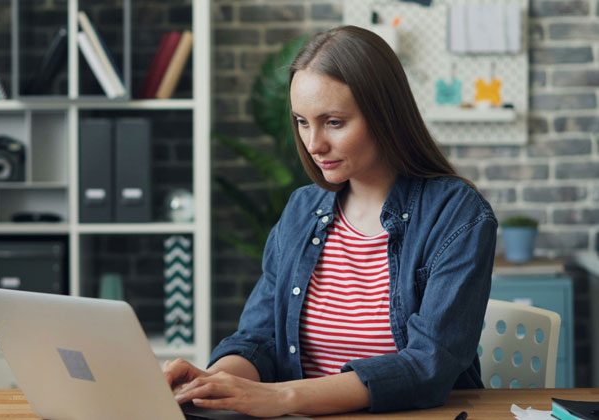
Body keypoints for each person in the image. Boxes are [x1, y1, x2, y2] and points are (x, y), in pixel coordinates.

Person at [163, 25, 497, 417]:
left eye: (333, 122)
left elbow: (427, 364)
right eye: (302, 122)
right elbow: (259, 339)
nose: (313, 144)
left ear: (385, 116)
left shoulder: (457, 213)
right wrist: (213, 384)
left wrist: (281, 397)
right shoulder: (302, 210)